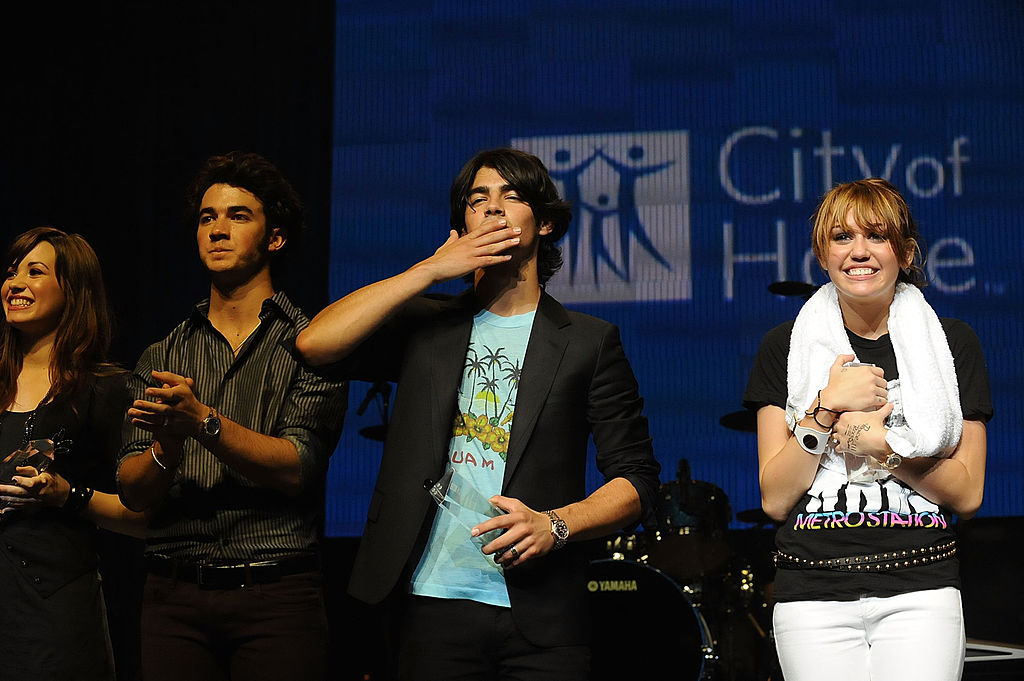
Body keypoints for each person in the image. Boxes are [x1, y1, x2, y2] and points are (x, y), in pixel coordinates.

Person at [296, 147, 661, 680]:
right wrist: (428, 271)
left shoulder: (589, 342)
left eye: (511, 197)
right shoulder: (427, 325)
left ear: (546, 224)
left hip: (542, 617)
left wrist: (555, 525)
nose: (493, 209)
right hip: (429, 601)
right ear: (461, 227)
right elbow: (314, 344)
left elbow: (636, 479)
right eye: (477, 200)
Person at [743, 178, 992, 681]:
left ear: (904, 251)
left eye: (877, 236)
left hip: (920, 589)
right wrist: (826, 407)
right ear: (822, 252)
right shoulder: (784, 347)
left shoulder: (952, 343)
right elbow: (775, 497)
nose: (859, 252)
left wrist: (880, 447)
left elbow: (967, 494)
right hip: (811, 594)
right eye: (841, 237)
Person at [116, 151, 347, 681]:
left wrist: (203, 423)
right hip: (174, 596)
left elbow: (297, 467)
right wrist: (166, 449)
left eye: (238, 216)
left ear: (276, 237)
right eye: (207, 217)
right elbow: (132, 489)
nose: (218, 229)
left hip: (276, 593)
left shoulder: (311, 344)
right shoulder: (162, 355)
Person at [0, 227, 145, 680]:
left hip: (52, 613)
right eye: (11, 272)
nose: (15, 283)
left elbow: (146, 517)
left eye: (35, 271)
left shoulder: (105, 391)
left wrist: (68, 495)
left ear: (75, 292)